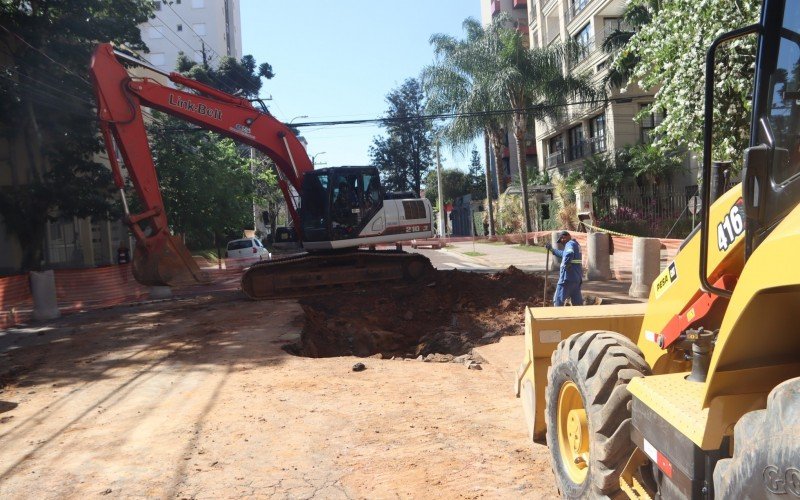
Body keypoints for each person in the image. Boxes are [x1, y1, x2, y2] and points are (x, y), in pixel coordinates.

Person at [545, 230, 583, 306]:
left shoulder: (569, 244)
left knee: (558, 300)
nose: (562, 242)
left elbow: (569, 253)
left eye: (561, 239)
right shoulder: (576, 244)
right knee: (577, 302)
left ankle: (558, 316)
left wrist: (566, 264)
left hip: (567, 278)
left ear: (565, 237)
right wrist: (552, 250)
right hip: (576, 278)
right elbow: (564, 254)